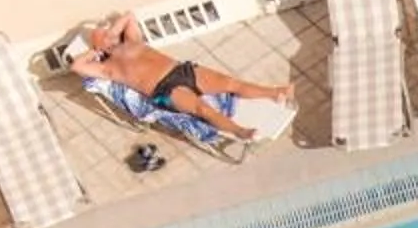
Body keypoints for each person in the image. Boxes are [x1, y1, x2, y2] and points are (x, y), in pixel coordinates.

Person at [66, 14, 291, 140]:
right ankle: (240, 131)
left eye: (107, 31)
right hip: (164, 90)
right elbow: (77, 66)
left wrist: (113, 31)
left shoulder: (132, 41)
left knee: (232, 83)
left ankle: (274, 93)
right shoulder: (108, 68)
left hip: (182, 70)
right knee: (203, 110)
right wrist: (93, 52)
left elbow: (130, 17)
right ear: (98, 46)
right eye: (103, 34)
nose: (108, 33)